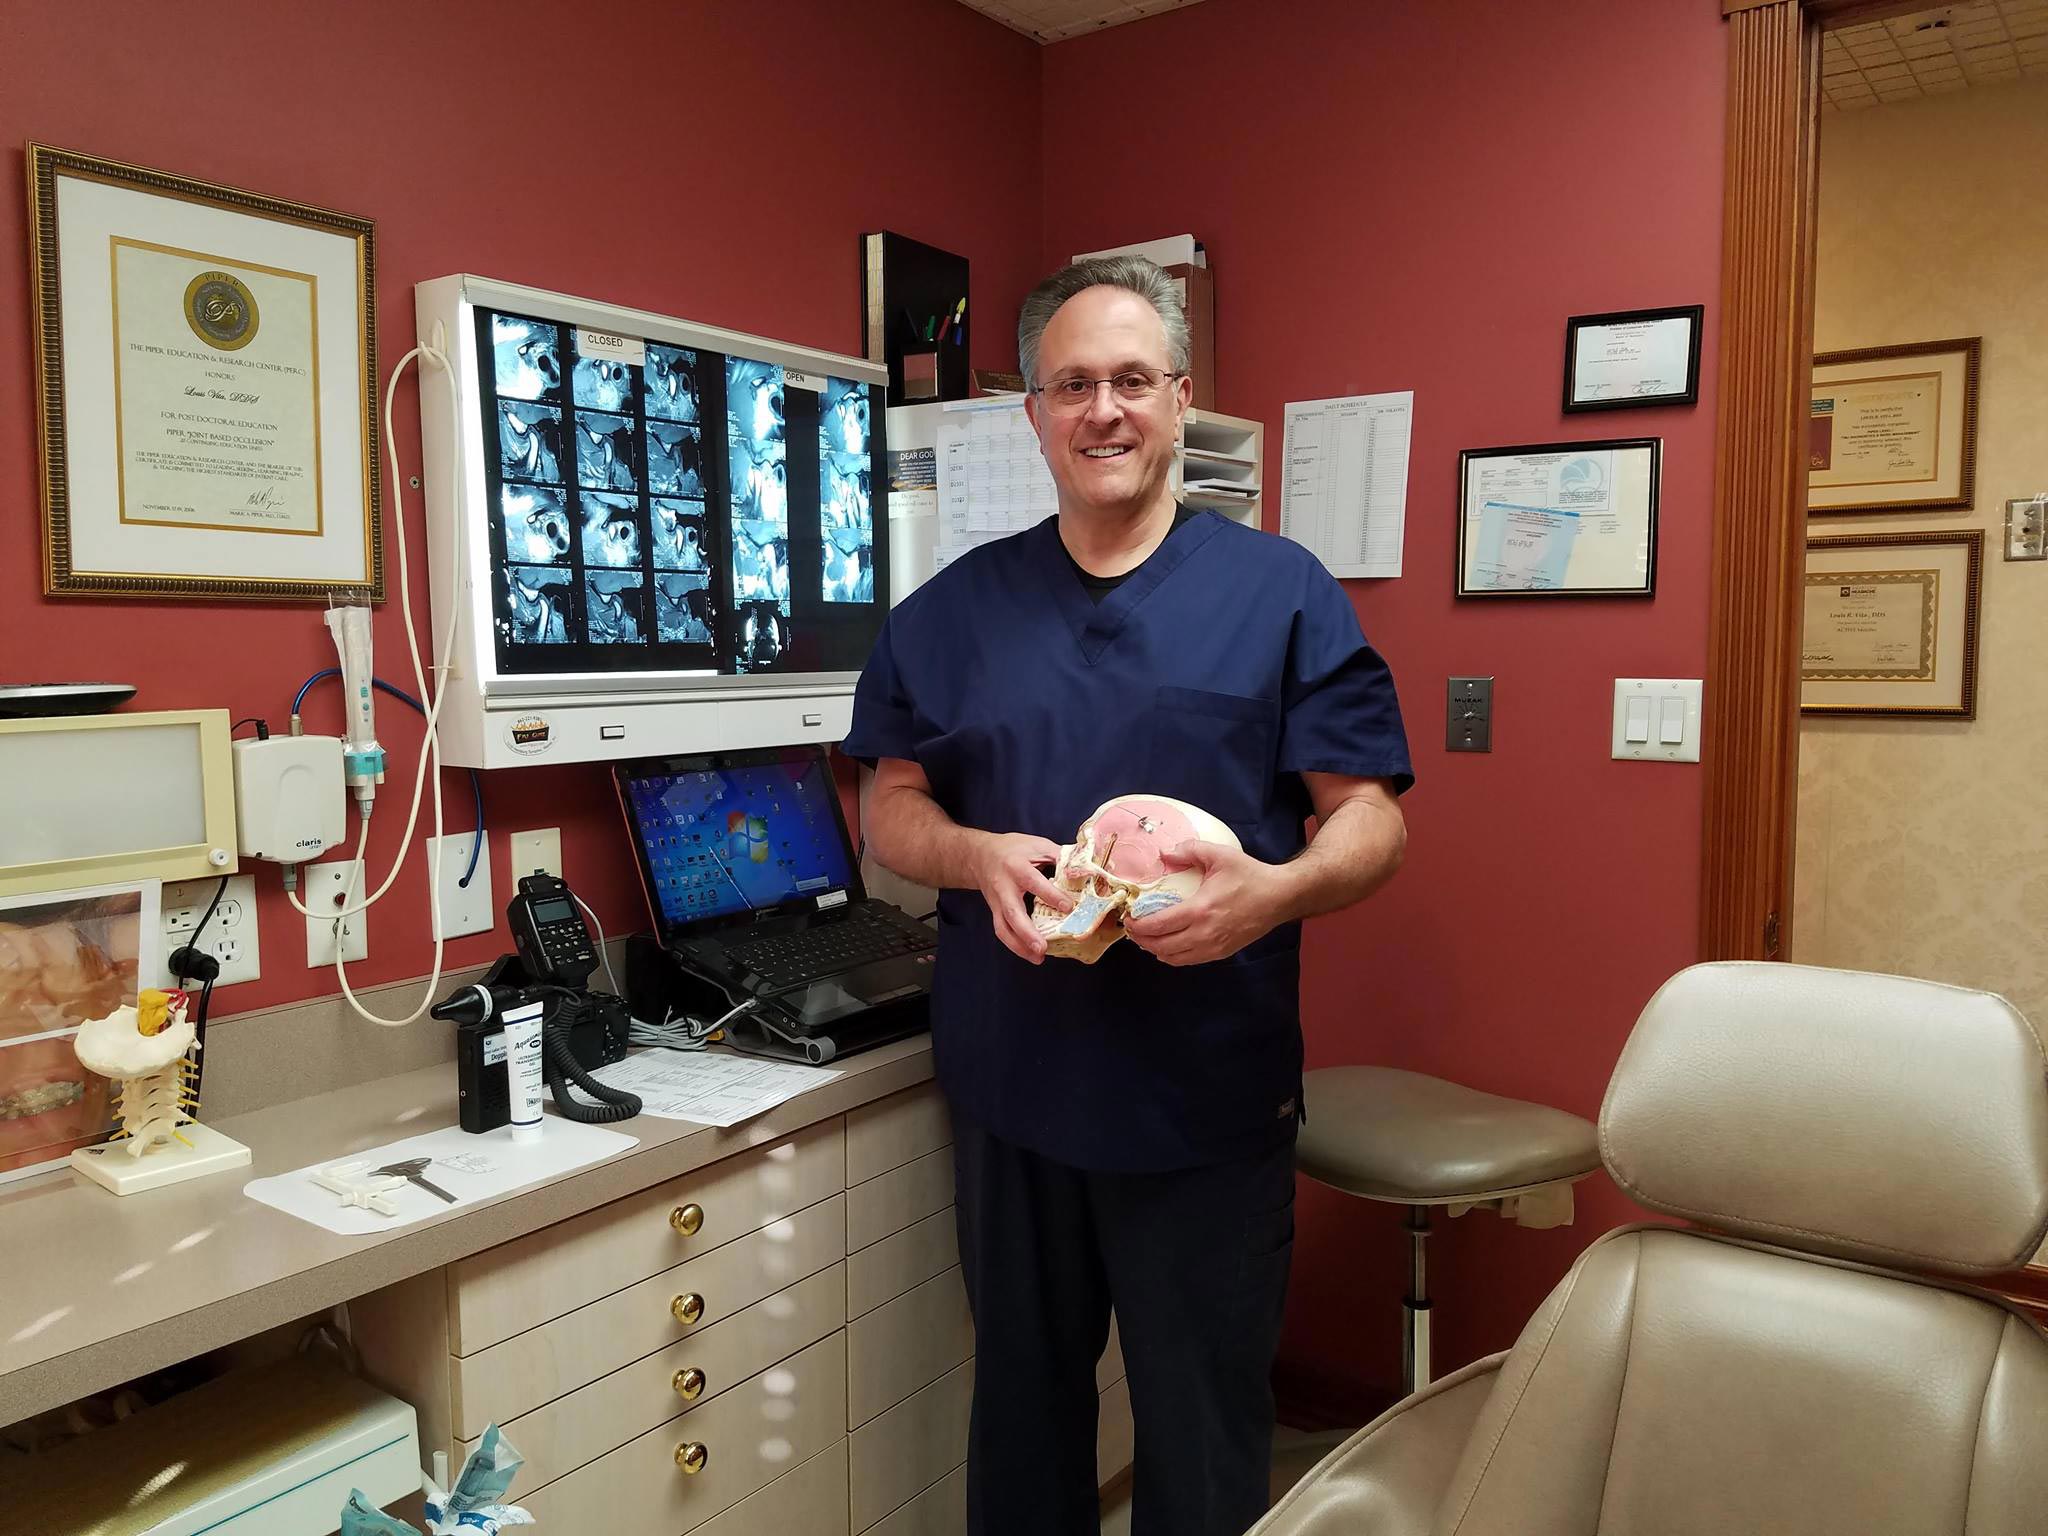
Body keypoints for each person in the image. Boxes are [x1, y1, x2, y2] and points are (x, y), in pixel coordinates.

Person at [843, 255, 1412, 1536]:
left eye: (1132, 381)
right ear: (1030, 414)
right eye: (1073, 385)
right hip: (1015, 1095)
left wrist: (1274, 893)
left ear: (1179, 399)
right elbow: (888, 814)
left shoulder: (1279, 595)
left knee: (1201, 1437)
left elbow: (1370, 820)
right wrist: (975, 852)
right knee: (1025, 1421)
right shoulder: (945, 615)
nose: (1104, 410)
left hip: (1202, 1104)